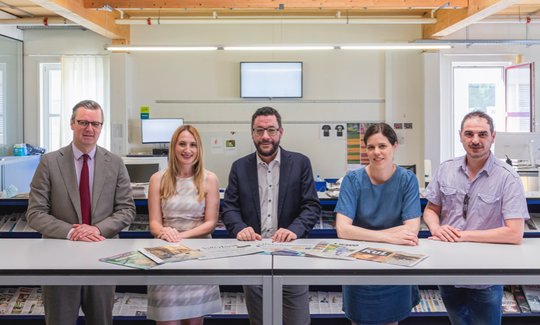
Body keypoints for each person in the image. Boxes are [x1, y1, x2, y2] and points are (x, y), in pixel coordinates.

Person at [26, 99, 135, 325]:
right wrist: (71, 232)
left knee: (101, 321)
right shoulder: (49, 162)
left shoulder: (115, 163)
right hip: (59, 258)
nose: (89, 129)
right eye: (83, 122)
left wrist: (96, 229)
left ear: (101, 127)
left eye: (95, 124)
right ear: (71, 124)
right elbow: (35, 213)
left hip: (103, 256)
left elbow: (126, 210)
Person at [423, 111, 529, 325]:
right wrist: (435, 228)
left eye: (482, 134)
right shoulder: (446, 169)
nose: (475, 140)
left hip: (485, 278)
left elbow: (515, 233)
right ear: (460, 135)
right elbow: (431, 209)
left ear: (493, 136)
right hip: (448, 272)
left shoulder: (508, 177)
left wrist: (461, 235)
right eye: (469, 134)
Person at [221, 106, 321, 325]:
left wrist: (294, 230)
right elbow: (229, 207)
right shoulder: (239, 167)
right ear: (252, 133)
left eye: (271, 130)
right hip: (253, 253)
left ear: (281, 132)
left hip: (292, 253)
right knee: (260, 320)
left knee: (297, 320)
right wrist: (240, 228)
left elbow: (311, 206)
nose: (265, 136)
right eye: (259, 130)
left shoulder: (300, 163)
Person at [335, 122, 421, 325]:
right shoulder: (352, 180)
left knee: (393, 320)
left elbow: (412, 229)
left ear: (394, 147)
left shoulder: (407, 180)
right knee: (358, 319)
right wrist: (390, 237)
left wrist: (359, 232)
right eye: (371, 147)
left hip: (395, 266)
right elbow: (342, 229)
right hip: (359, 267)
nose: (376, 152)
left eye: (382, 146)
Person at [146, 125, 222, 325]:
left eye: (193, 145)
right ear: (173, 146)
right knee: (166, 319)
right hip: (165, 255)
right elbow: (154, 222)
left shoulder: (210, 179)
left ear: (199, 149)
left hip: (197, 256)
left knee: (194, 321)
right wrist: (164, 231)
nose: (187, 150)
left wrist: (180, 236)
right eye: (182, 144)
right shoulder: (157, 179)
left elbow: (210, 223)